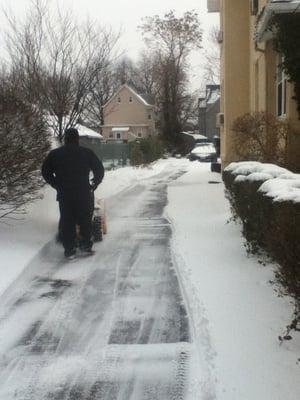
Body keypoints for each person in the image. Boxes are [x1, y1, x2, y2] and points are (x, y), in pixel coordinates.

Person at [42, 128, 104, 259]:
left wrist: (56, 184)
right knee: (85, 219)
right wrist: (94, 183)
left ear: (65, 138)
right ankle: (85, 246)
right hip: (83, 193)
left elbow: (45, 172)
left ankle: (69, 250)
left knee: (67, 220)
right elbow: (99, 169)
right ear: (77, 139)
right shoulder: (86, 153)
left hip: (65, 194)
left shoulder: (55, 154)